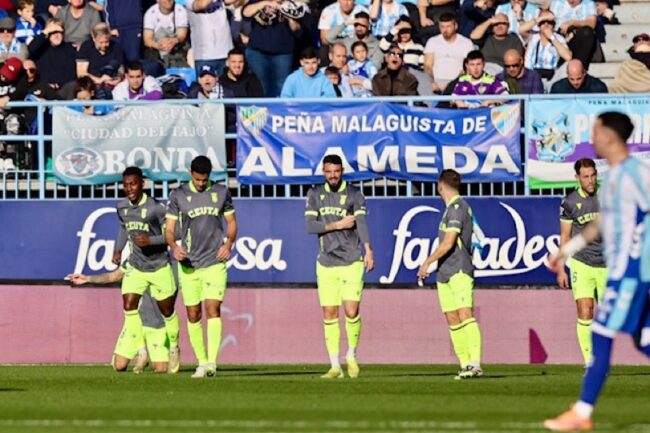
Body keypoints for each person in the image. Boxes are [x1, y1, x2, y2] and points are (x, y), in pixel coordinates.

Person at [544, 112, 650, 431]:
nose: (591, 137)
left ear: (609, 136)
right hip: (625, 269)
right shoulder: (615, 178)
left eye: (595, 131)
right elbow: (600, 224)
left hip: (632, 271)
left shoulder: (637, 175)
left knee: (601, 331)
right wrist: (566, 251)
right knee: (643, 339)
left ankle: (582, 411)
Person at [165, 155, 238, 378]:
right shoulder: (178, 195)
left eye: (204, 180)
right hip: (189, 264)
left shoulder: (221, 192)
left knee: (212, 309)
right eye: (197, 179)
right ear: (190, 174)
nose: (200, 183)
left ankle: (212, 363)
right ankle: (201, 362)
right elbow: (169, 229)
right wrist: (174, 247)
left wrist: (229, 243)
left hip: (214, 262)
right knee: (193, 314)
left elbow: (232, 222)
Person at [304, 154, 374, 379]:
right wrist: (338, 224)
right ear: (323, 172)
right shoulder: (315, 193)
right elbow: (310, 226)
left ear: (342, 171)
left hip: (351, 260)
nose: (333, 175)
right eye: (329, 172)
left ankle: (351, 354)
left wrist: (368, 249)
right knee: (329, 313)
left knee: (351, 311)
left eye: (336, 171)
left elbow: (361, 222)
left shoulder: (354, 194)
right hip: (326, 262)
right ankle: (334, 365)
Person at [113, 166, 181, 374]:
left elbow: (175, 233)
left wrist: (151, 241)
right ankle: (141, 351)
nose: (129, 188)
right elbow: (124, 227)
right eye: (125, 185)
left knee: (167, 311)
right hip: (136, 266)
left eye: (133, 184)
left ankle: (174, 348)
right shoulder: (122, 207)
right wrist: (118, 249)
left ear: (142, 184)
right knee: (129, 304)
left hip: (158, 266)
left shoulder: (155, 208)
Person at [418, 169, 483, 380]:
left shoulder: (457, 207)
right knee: (452, 319)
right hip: (444, 272)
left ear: (440, 186)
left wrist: (427, 262)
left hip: (459, 269)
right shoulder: (449, 210)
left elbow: (448, 243)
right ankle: (464, 364)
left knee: (465, 314)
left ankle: (475, 363)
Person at [66, 269, 170, 374]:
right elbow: (114, 276)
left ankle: (162, 353)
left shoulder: (166, 265)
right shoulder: (134, 263)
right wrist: (87, 279)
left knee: (162, 369)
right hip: (135, 323)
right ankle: (136, 354)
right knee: (119, 365)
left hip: (158, 325)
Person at [556, 158, 606, 368]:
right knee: (585, 310)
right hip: (581, 263)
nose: (590, 180)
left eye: (593, 175)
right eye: (585, 177)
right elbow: (565, 236)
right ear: (577, 177)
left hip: (607, 263)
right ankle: (590, 362)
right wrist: (561, 268)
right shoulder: (569, 202)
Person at [242, 0, 303, 98]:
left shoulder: (291, 5)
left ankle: (280, 108)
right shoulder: (259, 1)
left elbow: (297, 29)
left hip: (282, 55)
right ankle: (262, 108)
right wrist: (265, 3)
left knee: (282, 88)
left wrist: (289, 17)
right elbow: (245, 13)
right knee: (260, 88)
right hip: (257, 53)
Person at [424, 13, 474, 94]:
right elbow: (427, 65)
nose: (445, 30)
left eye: (448, 26)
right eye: (442, 27)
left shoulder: (466, 43)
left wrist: (452, 85)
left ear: (455, 26)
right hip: (436, 82)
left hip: (458, 82)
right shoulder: (432, 41)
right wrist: (432, 82)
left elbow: (467, 67)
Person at [186, 0, 236, 79]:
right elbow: (201, 5)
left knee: (228, 85)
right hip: (205, 56)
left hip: (226, 52)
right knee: (205, 85)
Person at [27, 18, 77, 91]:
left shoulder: (69, 48)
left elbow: (71, 73)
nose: (56, 35)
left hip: (63, 89)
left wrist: (57, 85)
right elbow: (31, 49)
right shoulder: (40, 47)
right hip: (42, 88)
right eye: (53, 32)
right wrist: (45, 31)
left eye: (59, 32)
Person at [522, 12, 572, 80]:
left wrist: (552, 38)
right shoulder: (533, 37)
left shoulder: (558, 38)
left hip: (551, 77)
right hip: (531, 75)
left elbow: (568, 57)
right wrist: (542, 18)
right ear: (539, 25)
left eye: (549, 22)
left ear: (554, 25)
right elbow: (521, 30)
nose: (546, 24)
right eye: (543, 22)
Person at [76, 22, 126, 89]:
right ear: (94, 38)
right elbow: (81, 74)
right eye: (101, 42)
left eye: (107, 42)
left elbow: (121, 69)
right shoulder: (86, 47)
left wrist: (116, 79)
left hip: (113, 84)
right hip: (92, 85)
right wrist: (100, 80)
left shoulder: (116, 47)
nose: (104, 45)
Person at [550, 0, 597, 68]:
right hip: (559, 37)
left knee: (587, 32)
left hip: (578, 39)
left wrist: (572, 23)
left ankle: (579, 67)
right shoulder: (557, 2)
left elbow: (592, 23)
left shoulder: (588, 4)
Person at [142, 0, 190, 68]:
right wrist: (159, 46)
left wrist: (173, 41)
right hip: (157, 45)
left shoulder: (180, 10)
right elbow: (147, 40)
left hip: (175, 44)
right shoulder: (150, 13)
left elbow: (182, 35)